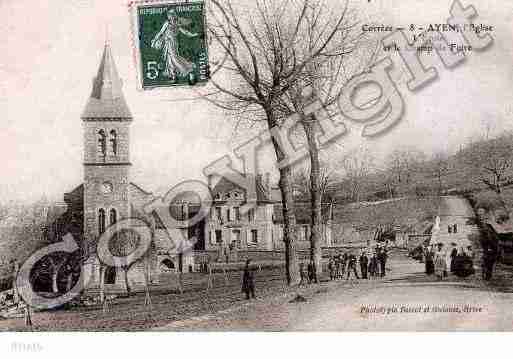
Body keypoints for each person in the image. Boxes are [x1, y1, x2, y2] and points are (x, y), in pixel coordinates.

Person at [151, 8, 199, 82]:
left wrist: (193, 34)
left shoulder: (177, 24)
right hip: (167, 42)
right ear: (168, 16)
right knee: (169, 59)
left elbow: (185, 32)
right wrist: (155, 39)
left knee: (174, 58)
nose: (171, 17)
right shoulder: (167, 23)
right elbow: (161, 32)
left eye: (172, 15)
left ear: (174, 15)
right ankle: (173, 77)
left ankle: (189, 71)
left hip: (173, 43)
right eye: (170, 15)